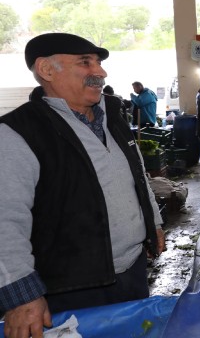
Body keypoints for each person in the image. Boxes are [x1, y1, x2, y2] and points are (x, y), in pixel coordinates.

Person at [0, 33, 165, 337]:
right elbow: (5, 219)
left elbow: (137, 174)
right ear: (47, 70)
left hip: (132, 272)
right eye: (85, 63)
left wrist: (152, 223)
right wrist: (21, 295)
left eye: (99, 63)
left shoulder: (112, 115)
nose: (100, 72)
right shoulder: (18, 133)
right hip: (72, 286)